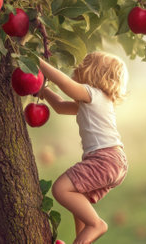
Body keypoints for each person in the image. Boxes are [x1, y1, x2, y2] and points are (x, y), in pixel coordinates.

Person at [37, 51, 129, 244]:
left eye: (81, 66)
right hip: (115, 160)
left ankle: (97, 225)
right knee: (78, 197)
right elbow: (61, 106)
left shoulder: (92, 94)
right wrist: (43, 90)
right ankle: (82, 238)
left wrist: (36, 61)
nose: (75, 69)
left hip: (104, 159)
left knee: (61, 189)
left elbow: (65, 84)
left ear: (91, 74)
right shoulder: (99, 101)